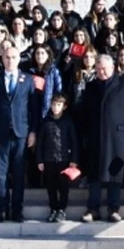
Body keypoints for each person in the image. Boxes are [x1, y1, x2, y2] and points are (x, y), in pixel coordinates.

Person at [80, 54, 124, 223]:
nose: (101, 72)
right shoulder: (91, 86)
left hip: (117, 137)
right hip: (95, 136)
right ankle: (93, 208)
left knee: (115, 173)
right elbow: (85, 112)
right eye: (98, 69)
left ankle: (114, 208)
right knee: (94, 173)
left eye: (104, 69)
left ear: (112, 68)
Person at [0, 47, 38, 223]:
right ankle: (2, 209)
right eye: (7, 57)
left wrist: (33, 131)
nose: (10, 60)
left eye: (13, 57)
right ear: (2, 59)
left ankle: (17, 210)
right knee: (1, 174)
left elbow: (33, 109)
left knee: (19, 173)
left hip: (21, 133)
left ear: (19, 59)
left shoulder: (28, 80)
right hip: (1, 133)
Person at [36, 94, 78, 223]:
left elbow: (74, 141)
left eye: (59, 104)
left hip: (64, 159)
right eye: (53, 104)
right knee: (51, 186)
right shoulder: (46, 121)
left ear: (64, 106)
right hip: (49, 159)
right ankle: (53, 208)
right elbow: (40, 142)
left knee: (63, 186)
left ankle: (62, 210)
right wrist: (39, 160)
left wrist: (74, 160)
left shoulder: (68, 121)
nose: (55, 107)